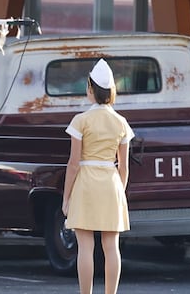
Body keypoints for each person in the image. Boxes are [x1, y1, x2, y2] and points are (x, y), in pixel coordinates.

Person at [62, 59, 134, 294]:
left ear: (90, 89)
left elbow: (73, 163)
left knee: (85, 246)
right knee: (111, 246)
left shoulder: (80, 121)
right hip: (111, 182)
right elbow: (123, 166)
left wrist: (66, 197)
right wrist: (120, 192)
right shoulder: (121, 122)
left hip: (86, 182)